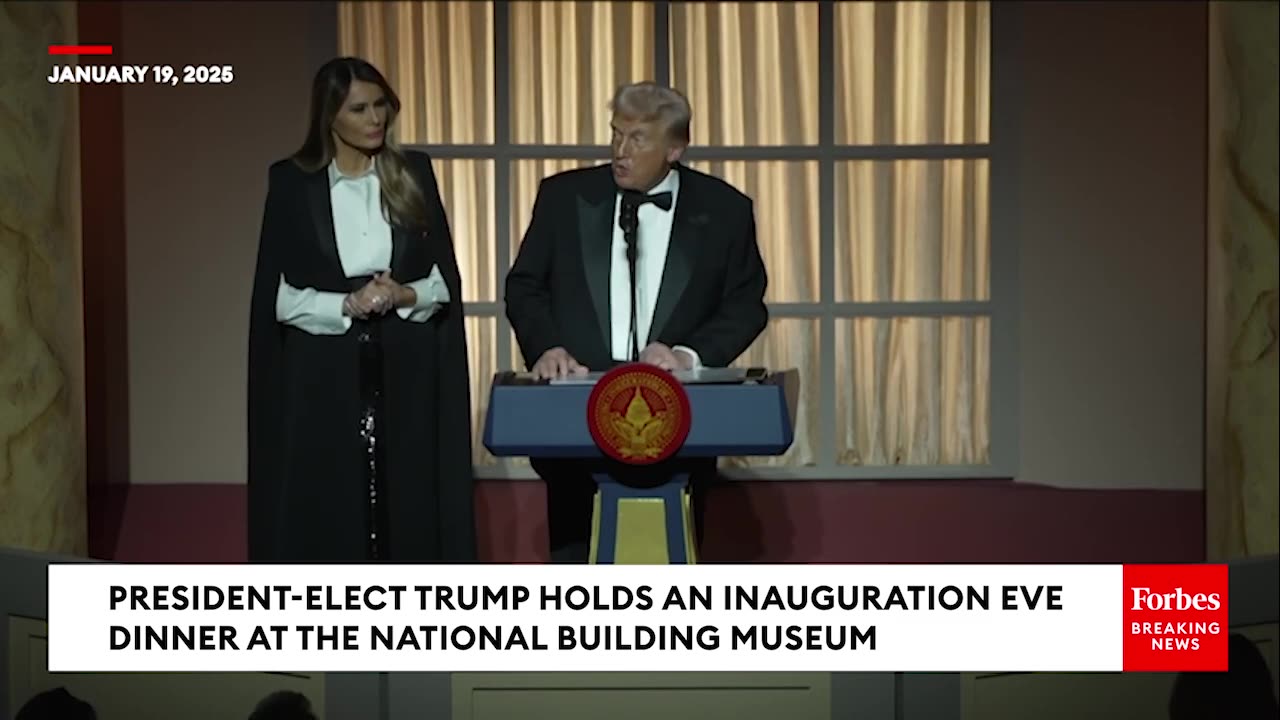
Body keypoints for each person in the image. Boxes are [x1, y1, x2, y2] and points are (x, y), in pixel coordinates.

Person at [505, 81, 768, 562]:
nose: (620, 152)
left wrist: (687, 356)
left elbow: (745, 305)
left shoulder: (726, 210)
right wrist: (547, 346)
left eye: (638, 139)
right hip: (573, 424)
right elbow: (524, 286)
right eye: (616, 135)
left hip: (679, 425)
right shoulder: (564, 197)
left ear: (675, 148)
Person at [247, 57, 474, 562]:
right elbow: (278, 297)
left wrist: (401, 295)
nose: (375, 119)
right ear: (330, 116)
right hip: (322, 368)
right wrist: (345, 303)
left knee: (409, 496)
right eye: (359, 109)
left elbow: (443, 283)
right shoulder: (292, 182)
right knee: (332, 498)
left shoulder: (413, 172)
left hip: (407, 359)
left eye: (381, 106)